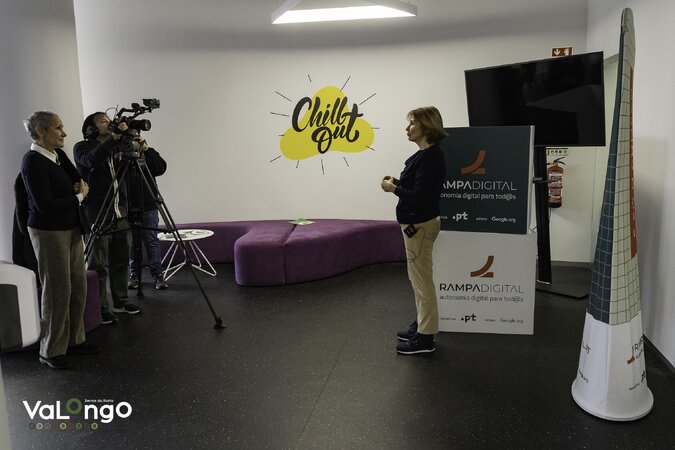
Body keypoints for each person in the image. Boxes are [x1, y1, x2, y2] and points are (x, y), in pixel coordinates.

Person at [21, 111, 99, 369]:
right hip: (48, 232)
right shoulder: (32, 161)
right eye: (58, 127)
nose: (64, 133)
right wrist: (78, 196)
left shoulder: (57, 155)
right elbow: (45, 206)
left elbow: (78, 179)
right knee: (57, 290)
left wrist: (78, 189)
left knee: (78, 285)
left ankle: (74, 340)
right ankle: (51, 350)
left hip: (71, 227)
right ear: (40, 131)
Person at [381, 106, 447, 355]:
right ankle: (422, 325)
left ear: (426, 127)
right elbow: (420, 189)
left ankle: (426, 338)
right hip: (416, 225)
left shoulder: (430, 157)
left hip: (418, 226)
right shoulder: (425, 156)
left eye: (412, 124)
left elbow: (420, 198)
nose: (407, 128)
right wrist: (398, 184)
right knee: (417, 279)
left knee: (422, 282)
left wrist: (393, 189)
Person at [74, 112, 142, 325]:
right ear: (91, 129)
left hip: (121, 213)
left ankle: (121, 301)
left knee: (121, 261)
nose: (109, 123)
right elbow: (91, 161)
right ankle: (101, 307)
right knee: (97, 265)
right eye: (103, 121)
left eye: (109, 120)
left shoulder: (117, 147)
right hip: (98, 214)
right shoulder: (82, 147)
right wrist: (112, 139)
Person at [126, 131, 168, 291]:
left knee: (151, 240)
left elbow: (160, 169)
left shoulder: (148, 152)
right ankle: (134, 274)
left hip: (149, 204)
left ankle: (158, 275)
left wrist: (146, 149)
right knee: (132, 242)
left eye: (136, 137)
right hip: (129, 205)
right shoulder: (121, 155)